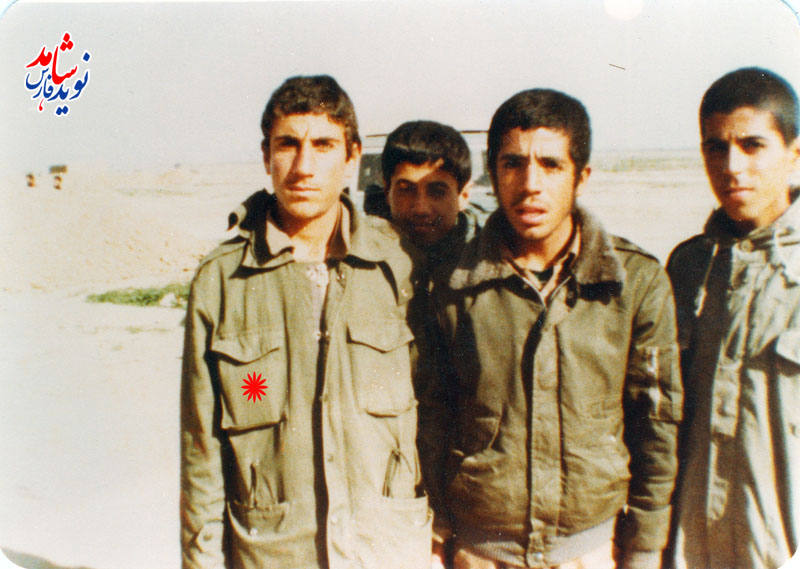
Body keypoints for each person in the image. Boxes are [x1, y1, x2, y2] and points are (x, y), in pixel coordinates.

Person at [421, 88, 683, 569]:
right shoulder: (451, 284)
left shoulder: (633, 283)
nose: (530, 184)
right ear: (492, 171)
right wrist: (437, 533)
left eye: (551, 165)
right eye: (513, 164)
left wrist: (645, 547)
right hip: (480, 551)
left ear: (582, 176)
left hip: (591, 550)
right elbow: (433, 419)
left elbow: (656, 426)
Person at [180, 74, 431, 569]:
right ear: (266, 156)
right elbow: (201, 453)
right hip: (274, 554)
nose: (303, 167)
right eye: (288, 145)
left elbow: (438, 413)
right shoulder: (222, 281)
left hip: (386, 550)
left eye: (323, 145)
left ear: (352, 157)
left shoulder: (399, 265)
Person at [667, 67, 800, 569]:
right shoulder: (688, 267)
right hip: (693, 548)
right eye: (716, 148)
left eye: (752, 145)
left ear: (794, 154)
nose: (732, 166)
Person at [381, 120, 478, 276]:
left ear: (464, 195)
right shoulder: (362, 263)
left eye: (437, 192)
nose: (421, 209)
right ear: (387, 191)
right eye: (406, 190)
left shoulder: (486, 262)